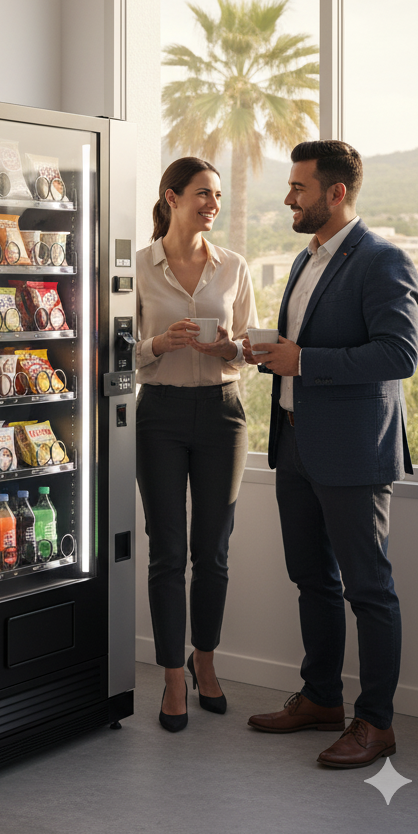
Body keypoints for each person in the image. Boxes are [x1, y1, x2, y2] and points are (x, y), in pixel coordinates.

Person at [244, 140, 418, 768]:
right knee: (311, 579)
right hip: (294, 443)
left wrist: (305, 360)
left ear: (336, 192)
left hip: (353, 452)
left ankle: (376, 723)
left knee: (369, 590)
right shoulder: (304, 259)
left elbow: (400, 354)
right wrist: (265, 352)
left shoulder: (383, 260)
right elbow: (301, 347)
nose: (288, 198)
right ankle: (321, 698)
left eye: (299, 187)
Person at [136, 156, 257, 732]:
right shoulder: (138, 267)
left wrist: (230, 348)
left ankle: (204, 661)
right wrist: (158, 344)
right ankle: (172, 678)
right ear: (172, 197)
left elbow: (250, 349)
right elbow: (117, 350)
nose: (213, 204)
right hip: (158, 415)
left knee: (212, 552)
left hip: (222, 414)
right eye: (204, 193)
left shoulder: (234, 266)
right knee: (166, 552)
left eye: (217, 195)